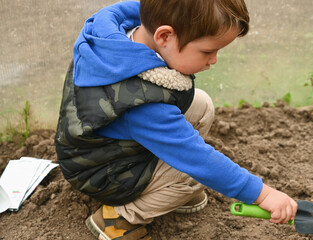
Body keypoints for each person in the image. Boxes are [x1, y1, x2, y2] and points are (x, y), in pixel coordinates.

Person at [55, 1, 298, 239]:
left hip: (103, 148)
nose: (213, 60)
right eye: (207, 51)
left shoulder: (121, 34)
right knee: (193, 176)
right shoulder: (141, 102)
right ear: (164, 37)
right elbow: (198, 160)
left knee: (201, 106)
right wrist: (262, 195)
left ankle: (166, 190)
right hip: (103, 174)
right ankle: (118, 219)